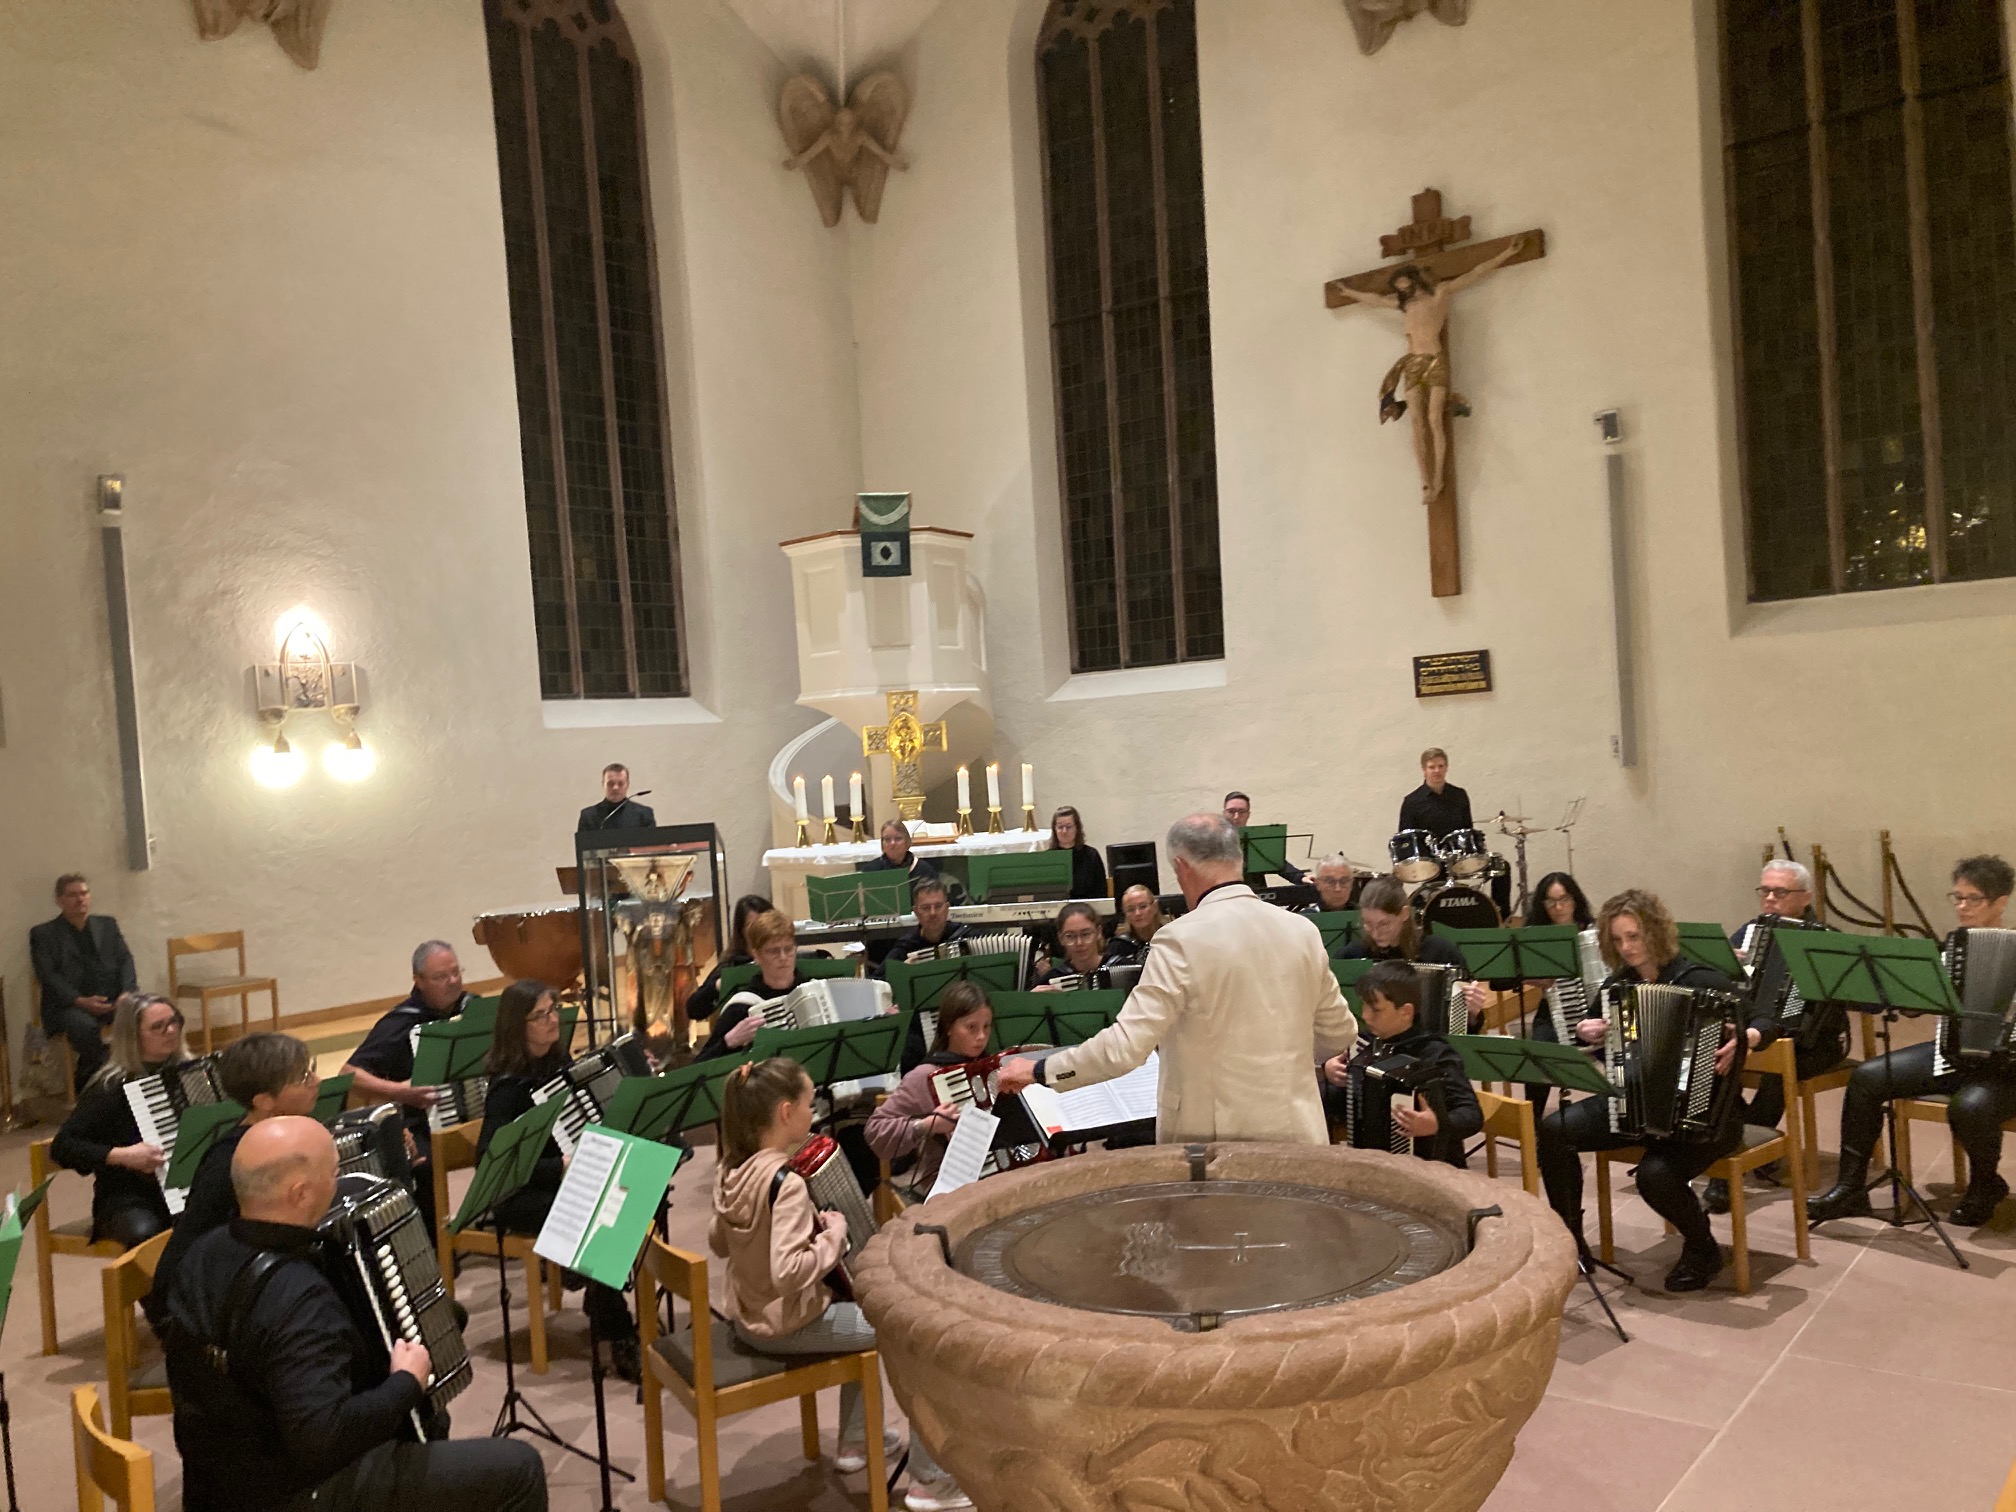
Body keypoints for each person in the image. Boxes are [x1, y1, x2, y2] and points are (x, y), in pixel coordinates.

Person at [162, 1116, 547, 1512]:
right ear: (299, 1193)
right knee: (519, 1467)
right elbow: (322, 1440)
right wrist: (406, 1382)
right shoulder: (297, 1298)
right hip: (292, 1493)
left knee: (431, 1414)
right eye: (333, 1172)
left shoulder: (204, 1252)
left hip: (216, 1479)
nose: (339, 1181)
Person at [997, 814, 1357, 1144]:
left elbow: (1124, 1048)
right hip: (1300, 1133)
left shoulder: (1179, 939)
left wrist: (1041, 1069)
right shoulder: (1301, 931)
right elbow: (1339, 1033)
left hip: (1218, 1146)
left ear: (1181, 868)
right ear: (1239, 860)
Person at [712, 1058, 971, 1512]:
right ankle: (930, 1481)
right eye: (810, 1105)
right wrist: (833, 1234)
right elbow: (787, 1271)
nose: (814, 1113)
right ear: (786, 1113)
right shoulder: (787, 1184)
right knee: (913, 1334)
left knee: (858, 1305)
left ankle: (855, 1442)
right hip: (788, 1323)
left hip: (749, 1313)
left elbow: (718, 1242)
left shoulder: (733, 1170)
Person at [1536, 888, 1773, 1293]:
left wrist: (1748, 1037)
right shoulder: (1618, 985)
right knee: (1555, 1130)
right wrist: (1586, 1030)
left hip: (1709, 1115)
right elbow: (1590, 1030)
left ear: (1656, 933)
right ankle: (1571, 1239)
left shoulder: (1703, 980)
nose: (1626, 948)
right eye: (1617, 939)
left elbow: (1765, 1016)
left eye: (1634, 937)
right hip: (1634, 1106)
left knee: (1655, 1175)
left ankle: (1703, 1249)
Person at [1808, 855, 2016, 1228]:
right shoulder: (1950, 948)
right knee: (1868, 1077)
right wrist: (1913, 996)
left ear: (2002, 901)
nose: (1962, 907)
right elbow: (1922, 1001)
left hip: (2006, 1070)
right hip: (1952, 1053)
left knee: (1969, 1107)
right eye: (1958, 897)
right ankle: (1850, 1188)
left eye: (1974, 899)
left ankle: (1986, 1184)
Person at [476, 981, 639, 1381]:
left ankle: (598, 1294)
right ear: (519, 1025)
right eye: (542, 1015)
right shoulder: (506, 1087)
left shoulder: (558, 1065)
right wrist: (557, 1168)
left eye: (554, 1011)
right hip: (519, 1193)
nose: (553, 1021)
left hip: (563, 1181)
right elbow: (489, 1162)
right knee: (595, 1215)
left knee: (626, 1190)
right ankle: (617, 1328)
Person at [147, 1031, 321, 1329]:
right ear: (264, 1101)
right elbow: (207, 1246)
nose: (317, 1082)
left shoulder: (290, 1134)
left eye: (312, 1071)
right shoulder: (231, 1160)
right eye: (304, 1078)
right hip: (206, 1301)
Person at [1704, 860, 1841, 1214]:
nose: (1769, 899)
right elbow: (1717, 979)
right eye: (1764, 891)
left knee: (1776, 1072)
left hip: (1813, 1042)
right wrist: (1727, 965)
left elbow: (1839, 1002)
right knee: (1712, 1061)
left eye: (1780, 892)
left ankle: (1729, 1168)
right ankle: (1750, 1142)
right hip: (1755, 1032)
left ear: (1805, 897)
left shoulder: (1826, 940)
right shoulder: (1750, 932)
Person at [340, 941, 474, 1230]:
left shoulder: (473, 1008)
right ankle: (435, 1248)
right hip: (421, 1122)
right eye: (441, 977)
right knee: (423, 1164)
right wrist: (402, 1092)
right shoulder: (401, 1021)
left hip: (475, 1114)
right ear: (419, 981)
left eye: (456, 972)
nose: (453, 982)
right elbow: (349, 1073)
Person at [50, 992, 188, 1246]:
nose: (170, 1031)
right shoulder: (109, 1087)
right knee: (149, 1235)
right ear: (133, 1036)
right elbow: (63, 1147)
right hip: (127, 1196)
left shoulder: (190, 1073)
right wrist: (122, 1156)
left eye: (174, 1021)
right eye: (158, 1026)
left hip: (183, 1189)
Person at [1321, 961, 1481, 1167]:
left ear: (1406, 1011)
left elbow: (1472, 1114)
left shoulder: (1436, 1053)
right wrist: (1329, 1072)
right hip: (1374, 1164)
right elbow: (1344, 1104)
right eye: (1364, 1005)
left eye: (1375, 1009)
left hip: (1434, 1168)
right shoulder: (1363, 1045)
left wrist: (1437, 1124)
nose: (1366, 1015)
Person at [864, 982, 993, 1200]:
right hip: (949, 1184)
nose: (981, 1036)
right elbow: (874, 1130)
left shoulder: (993, 1069)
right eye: (971, 1027)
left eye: (987, 1027)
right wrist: (926, 1125)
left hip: (997, 1173)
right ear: (949, 1027)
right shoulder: (925, 1076)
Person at [29, 873, 138, 1090]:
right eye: (72, 895)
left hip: (111, 998)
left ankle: (128, 1077)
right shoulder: (43, 934)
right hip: (68, 1006)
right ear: (59, 900)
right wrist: (80, 1001)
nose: (80, 899)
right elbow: (47, 976)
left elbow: (125, 959)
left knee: (142, 1013)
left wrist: (127, 992)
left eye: (84, 893)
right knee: (85, 1028)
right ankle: (99, 1081)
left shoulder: (107, 924)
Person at [695, 911, 805, 1061]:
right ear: (757, 956)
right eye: (773, 951)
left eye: (789, 949)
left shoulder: (812, 990)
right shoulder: (742, 1006)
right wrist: (729, 1042)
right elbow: (699, 1066)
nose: (783, 957)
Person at [1338, 877, 1466, 971]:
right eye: (1368, 924)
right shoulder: (1353, 955)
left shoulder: (1439, 952)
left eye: (1384, 924)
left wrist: (1475, 1002)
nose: (1376, 933)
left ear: (1404, 914)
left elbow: (1470, 1000)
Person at [685, 894, 775, 1023]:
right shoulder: (732, 965)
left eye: (765, 926)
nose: (760, 932)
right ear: (741, 931)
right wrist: (719, 985)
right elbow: (693, 1009)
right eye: (753, 926)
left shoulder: (783, 959)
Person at [880, 876, 970, 974]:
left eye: (938, 906)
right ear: (916, 912)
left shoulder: (966, 935)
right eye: (926, 908)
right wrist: (902, 972)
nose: (933, 913)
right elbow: (877, 981)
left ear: (947, 908)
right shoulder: (906, 946)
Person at [1222, 791, 1306, 886]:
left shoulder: (1256, 839)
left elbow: (1276, 863)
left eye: (1242, 812)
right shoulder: (1213, 840)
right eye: (1231, 811)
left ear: (1248, 815)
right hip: (1223, 893)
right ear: (1224, 813)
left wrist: (1301, 878)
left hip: (1256, 893)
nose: (1236, 816)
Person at [1035, 901, 1125, 986]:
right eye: (1070, 936)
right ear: (1061, 938)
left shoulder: (1124, 967)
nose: (1079, 943)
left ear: (1098, 932)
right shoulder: (1052, 979)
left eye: (1086, 934)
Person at [1396, 747, 1474, 840]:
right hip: (1427, 854)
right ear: (1424, 770)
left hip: (1457, 853)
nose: (1437, 770)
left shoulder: (1459, 795)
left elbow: (1468, 831)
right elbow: (1405, 839)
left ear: (1446, 768)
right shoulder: (1412, 802)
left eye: (1441, 766)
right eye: (1432, 767)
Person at [858, 819, 942, 891]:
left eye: (898, 838)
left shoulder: (924, 870)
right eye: (887, 839)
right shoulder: (870, 870)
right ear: (882, 845)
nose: (892, 843)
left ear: (907, 842)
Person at [1049, 806, 1108, 899]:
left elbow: (1101, 892)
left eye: (1068, 827)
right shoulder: (1048, 857)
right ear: (1054, 830)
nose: (1064, 831)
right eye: (1060, 827)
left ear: (1077, 828)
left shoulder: (1091, 855)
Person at [576, 762, 655, 832]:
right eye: (610, 783)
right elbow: (583, 847)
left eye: (620, 783)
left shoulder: (644, 815)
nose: (615, 788)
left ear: (627, 785)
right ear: (603, 784)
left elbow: (652, 846)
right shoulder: (588, 816)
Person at [1113, 883, 1171, 956]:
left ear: (1155, 907)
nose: (1137, 913)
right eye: (1130, 909)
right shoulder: (1119, 945)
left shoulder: (1172, 938)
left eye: (1143, 906)